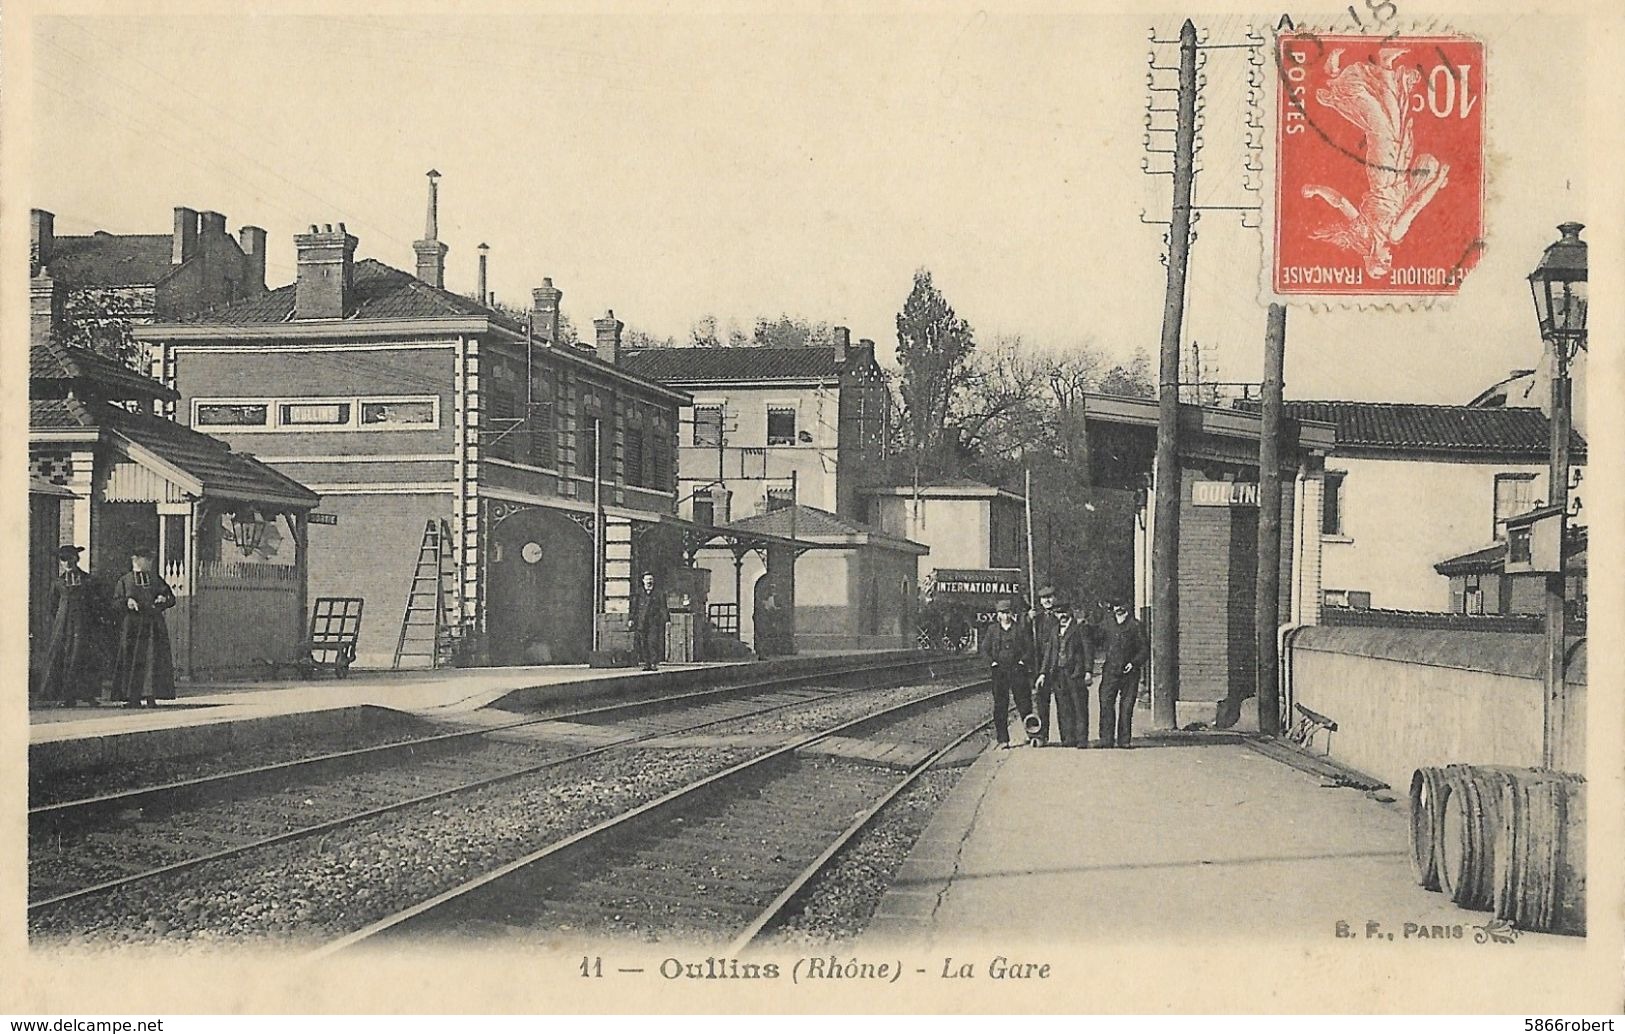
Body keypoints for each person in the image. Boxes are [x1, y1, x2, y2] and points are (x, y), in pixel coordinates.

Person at [111, 545, 177, 707]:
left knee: (152, 659)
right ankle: (132, 698)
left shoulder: (155, 579)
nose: (150, 562)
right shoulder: (125, 580)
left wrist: (163, 598)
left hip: (153, 626)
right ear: (136, 560)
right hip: (132, 626)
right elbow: (115, 602)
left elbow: (170, 597)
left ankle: (151, 696)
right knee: (132, 659)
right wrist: (128, 602)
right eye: (147, 559)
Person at [38, 545, 102, 707]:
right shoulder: (58, 582)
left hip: (84, 625)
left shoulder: (88, 580)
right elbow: (52, 606)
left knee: (85, 658)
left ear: (76, 559)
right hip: (64, 626)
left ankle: (89, 695)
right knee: (64, 657)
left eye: (69, 558)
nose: (66, 563)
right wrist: (62, 620)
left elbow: (95, 603)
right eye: (63, 560)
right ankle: (66, 697)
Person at [1038, 597, 1093, 748]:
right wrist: (1043, 673)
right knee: (1063, 707)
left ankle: (1081, 739)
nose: (1061, 616)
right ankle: (1068, 738)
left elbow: (1088, 651)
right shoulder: (1054, 630)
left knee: (1079, 706)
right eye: (1057, 613)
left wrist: (1088, 671)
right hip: (1058, 674)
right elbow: (1049, 654)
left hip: (1075, 672)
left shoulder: (1079, 628)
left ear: (1069, 612)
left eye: (1063, 612)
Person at [979, 598, 1033, 750]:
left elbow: (1029, 648)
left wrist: (1023, 661)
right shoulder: (992, 630)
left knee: (1024, 703)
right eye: (1002, 613)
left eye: (1008, 612)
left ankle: (1031, 733)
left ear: (1012, 613)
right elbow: (984, 649)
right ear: (998, 615)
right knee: (1000, 705)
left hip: (1017, 670)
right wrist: (992, 662)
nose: (1006, 616)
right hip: (1000, 672)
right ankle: (1003, 739)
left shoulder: (1019, 629)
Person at [1098, 598, 1149, 748]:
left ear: (1128, 607)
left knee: (1126, 707)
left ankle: (1124, 740)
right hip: (1110, 671)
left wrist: (1134, 663)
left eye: (1122, 605)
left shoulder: (1136, 626)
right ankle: (1106, 739)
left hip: (1129, 673)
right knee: (1106, 703)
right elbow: (1097, 638)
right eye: (1115, 606)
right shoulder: (1107, 624)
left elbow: (1144, 649)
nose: (1119, 609)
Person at [1028, 584, 1060, 743]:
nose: (1047, 600)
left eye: (1050, 597)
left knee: (1063, 701)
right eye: (1044, 598)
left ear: (1055, 598)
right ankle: (1042, 735)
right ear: (1040, 601)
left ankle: (1068, 737)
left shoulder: (1060, 616)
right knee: (1041, 702)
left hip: (1057, 664)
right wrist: (1029, 619)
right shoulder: (1037, 619)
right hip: (1040, 665)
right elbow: (1023, 634)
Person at [628, 571, 668, 671]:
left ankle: (653, 663)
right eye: (647, 579)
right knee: (643, 643)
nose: (649, 581)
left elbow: (663, 607)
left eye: (651, 579)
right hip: (642, 622)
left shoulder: (659, 593)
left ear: (653, 581)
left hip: (654, 622)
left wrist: (666, 620)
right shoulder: (639, 593)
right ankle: (647, 663)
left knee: (653, 642)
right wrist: (631, 619)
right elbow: (634, 607)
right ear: (643, 581)